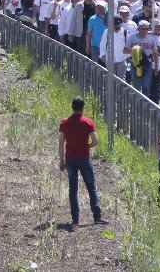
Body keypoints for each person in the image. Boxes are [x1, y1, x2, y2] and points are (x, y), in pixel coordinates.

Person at [58, 97, 108, 229]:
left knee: (73, 189)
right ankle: (97, 216)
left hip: (70, 158)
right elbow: (96, 141)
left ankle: (75, 219)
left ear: (72, 107)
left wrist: (61, 161)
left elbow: (61, 143)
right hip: (84, 158)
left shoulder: (64, 123)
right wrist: (86, 146)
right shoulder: (88, 122)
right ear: (83, 108)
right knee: (91, 187)